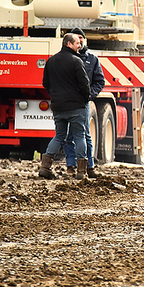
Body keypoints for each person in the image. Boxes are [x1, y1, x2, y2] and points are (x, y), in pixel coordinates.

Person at [39, 33, 90, 180]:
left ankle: (45, 167)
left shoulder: (51, 61)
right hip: (76, 106)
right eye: (77, 43)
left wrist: (55, 96)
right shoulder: (76, 61)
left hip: (58, 107)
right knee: (79, 136)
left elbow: (45, 83)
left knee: (59, 135)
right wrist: (84, 100)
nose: (79, 45)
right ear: (69, 44)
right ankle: (81, 171)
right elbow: (84, 84)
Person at [63, 28, 106, 179]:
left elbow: (100, 81)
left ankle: (89, 167)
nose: (80, 40)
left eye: (82, 37)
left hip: (83, 103)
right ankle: (71, 166)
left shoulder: (92, 59)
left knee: (86, 135)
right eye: (77, 38)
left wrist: (89, 96)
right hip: (68, 102)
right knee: (69, 136)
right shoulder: (64, 59)